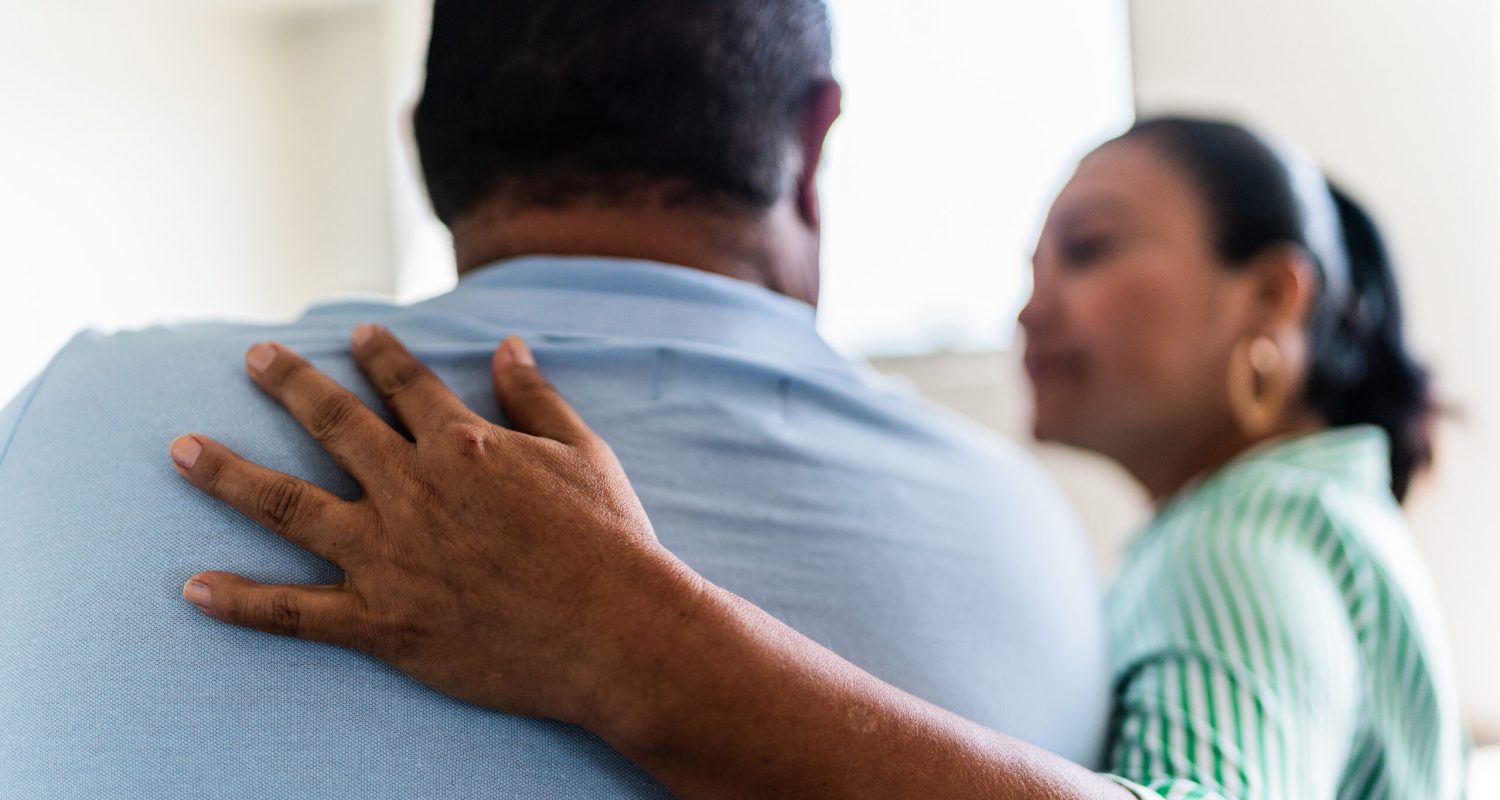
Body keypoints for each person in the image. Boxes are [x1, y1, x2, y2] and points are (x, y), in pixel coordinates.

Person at [172, 117, 1468, 799]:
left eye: (1090, 249)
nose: (1031, 308)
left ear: (1271, 301)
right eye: (1027, 268)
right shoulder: (1315, 527)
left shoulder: (1244, 542)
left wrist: (623, 636)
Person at [0, 1, 1112, 796]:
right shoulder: (1038, 540)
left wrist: (621, 639)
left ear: (430, 146)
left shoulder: (72, 415)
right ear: (811, 146)